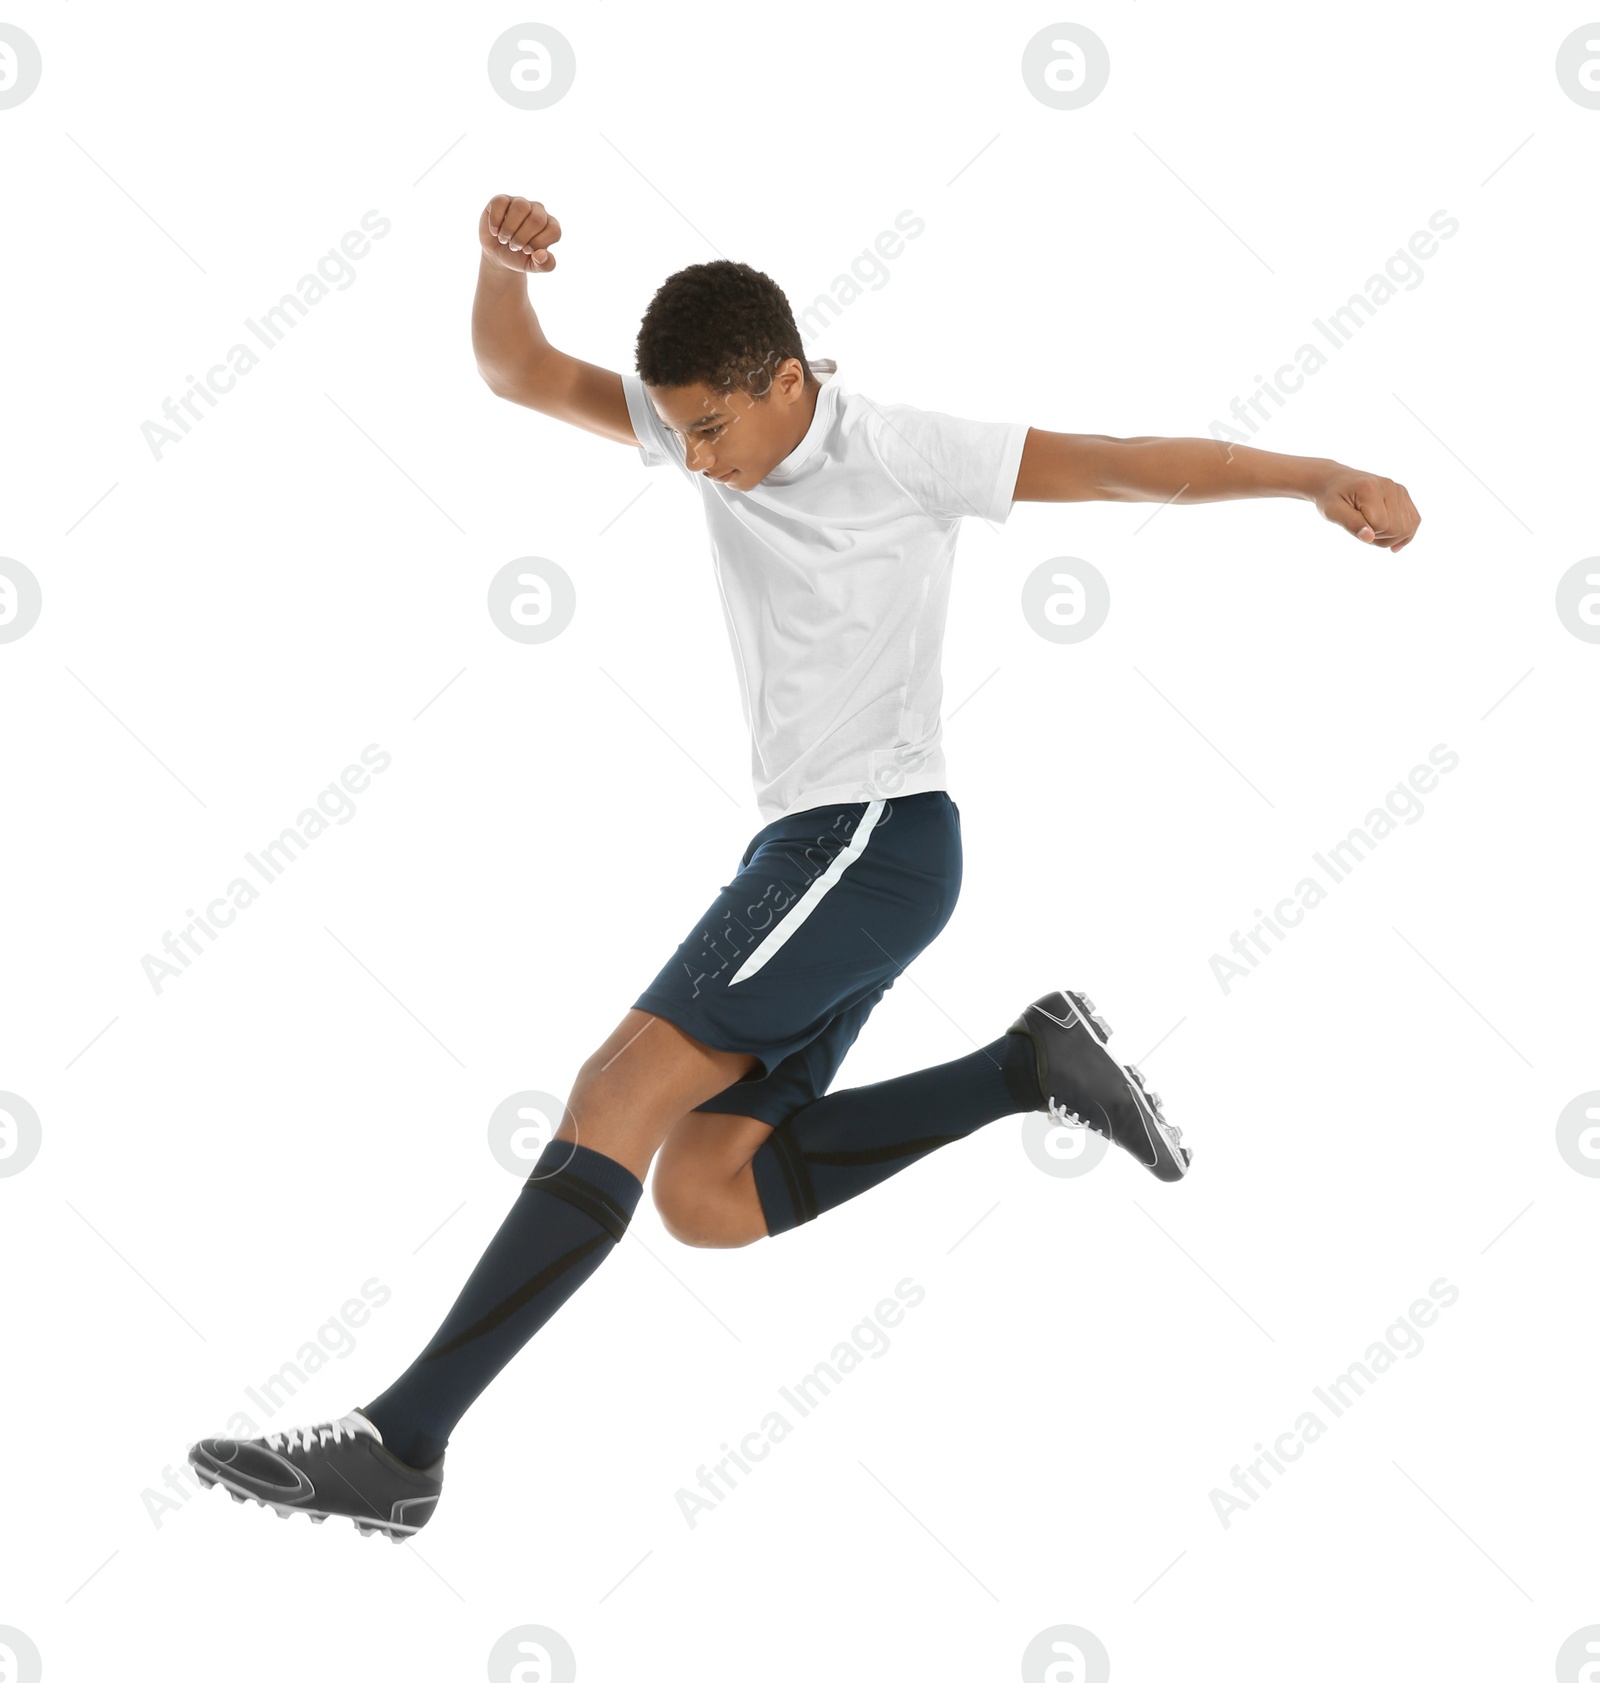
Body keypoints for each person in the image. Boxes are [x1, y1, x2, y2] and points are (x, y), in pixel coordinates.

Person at [187, 194, 1421, 1540]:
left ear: (788, 380)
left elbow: (1124, 461)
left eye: (714, 426)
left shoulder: (901, 450)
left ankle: (403, 1440)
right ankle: (1023, 1065)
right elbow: (519, 372)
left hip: (870, 836)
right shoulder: (699, 425)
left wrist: (1313, 476)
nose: (698, 460)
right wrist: (498, 270)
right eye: (680, 431)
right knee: (712, 1194)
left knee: (618, 1085)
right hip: (824, 850)